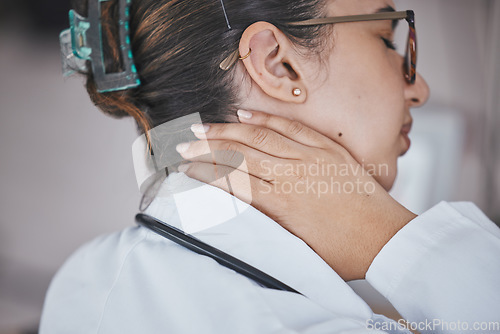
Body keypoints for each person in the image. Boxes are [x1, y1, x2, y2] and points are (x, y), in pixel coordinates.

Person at [40, 0, 500, 333]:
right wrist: (394, 240)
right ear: (276, 64)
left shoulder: (85, 277)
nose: (419, 88)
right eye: (385, 37)